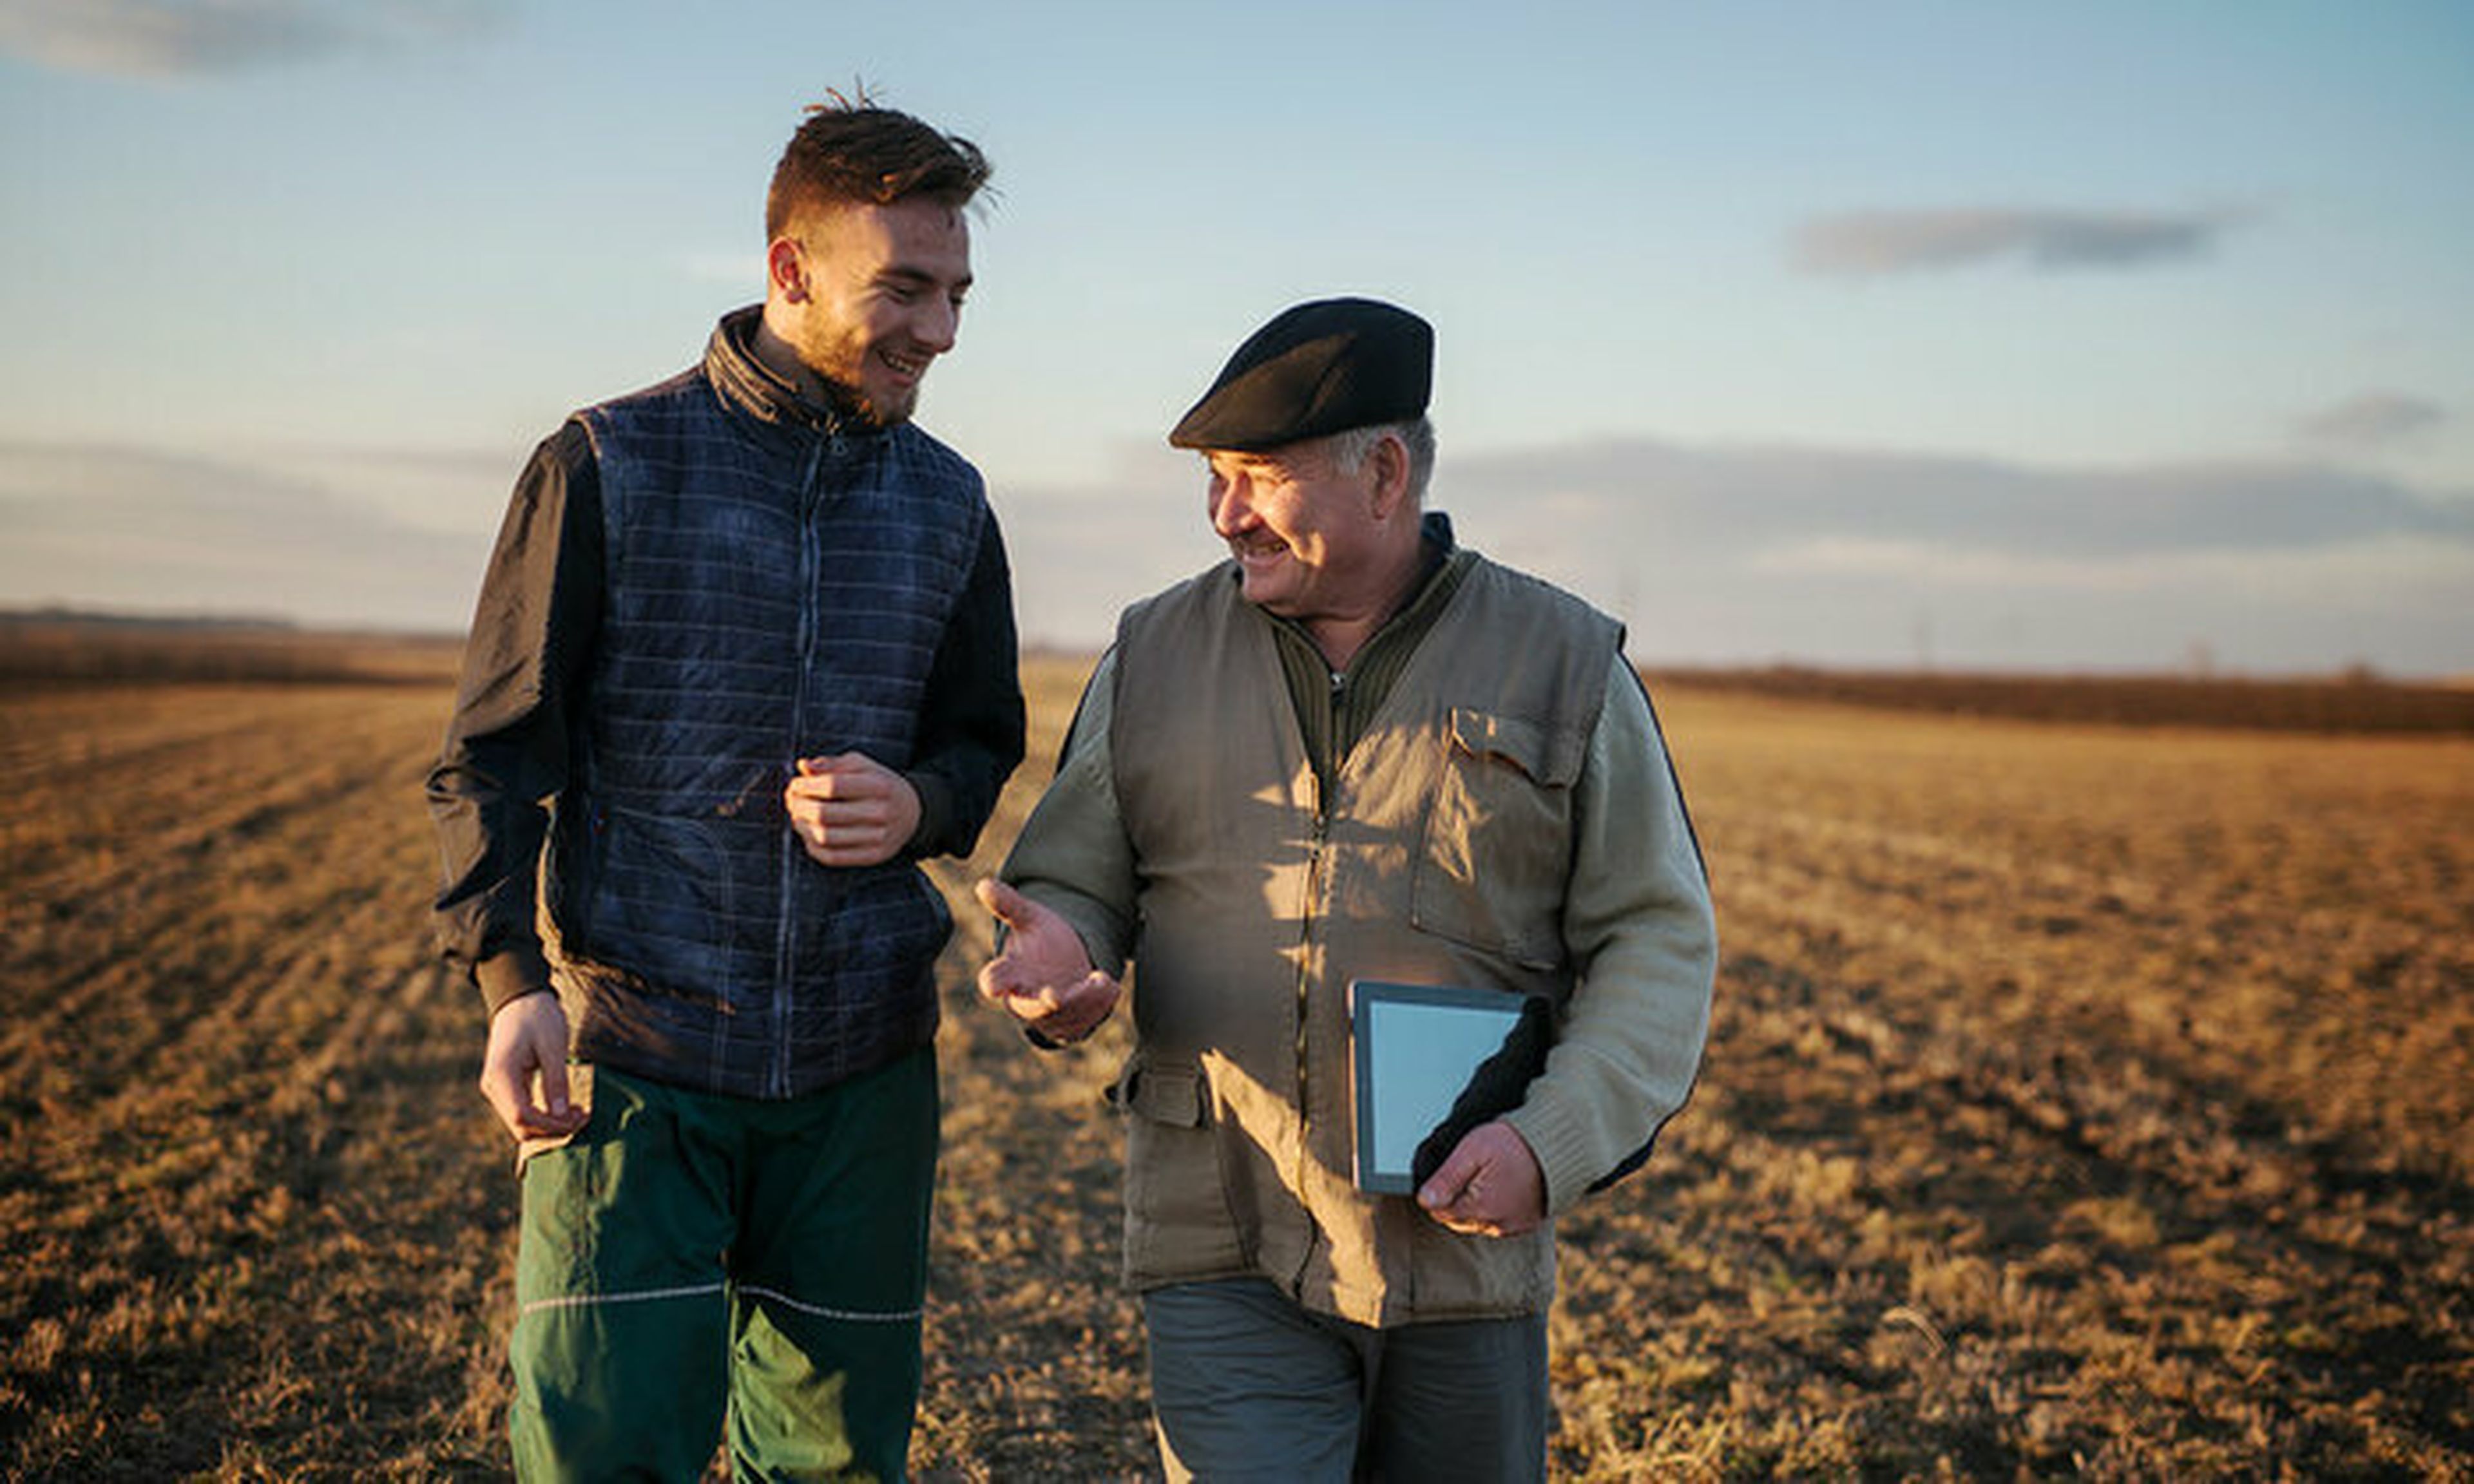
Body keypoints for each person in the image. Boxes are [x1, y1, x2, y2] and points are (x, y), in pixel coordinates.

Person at [975, 297, 1717, 1481]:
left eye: (1260, 478)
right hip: (1221, 1226)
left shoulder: (1564, 660)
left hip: (1463, 1245)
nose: (1227, 515)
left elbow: (1657, 940)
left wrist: (1554, 1140)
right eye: (1215, 479)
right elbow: (1075, 873)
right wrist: (1062, 950)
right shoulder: (1154, 652)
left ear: (1384, 475)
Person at [425, 98, 1023, 1481]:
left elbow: (981, 742)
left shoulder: (952, 503)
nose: (940, 331)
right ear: (790, 270)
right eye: (906, 289)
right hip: (638, 1066)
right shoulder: (604, 464)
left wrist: (919, 806)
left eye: (957, 295)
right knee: (600, 1452)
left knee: (837, 1463)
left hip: (865, 1078)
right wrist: (511, 982)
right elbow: (495, 755)